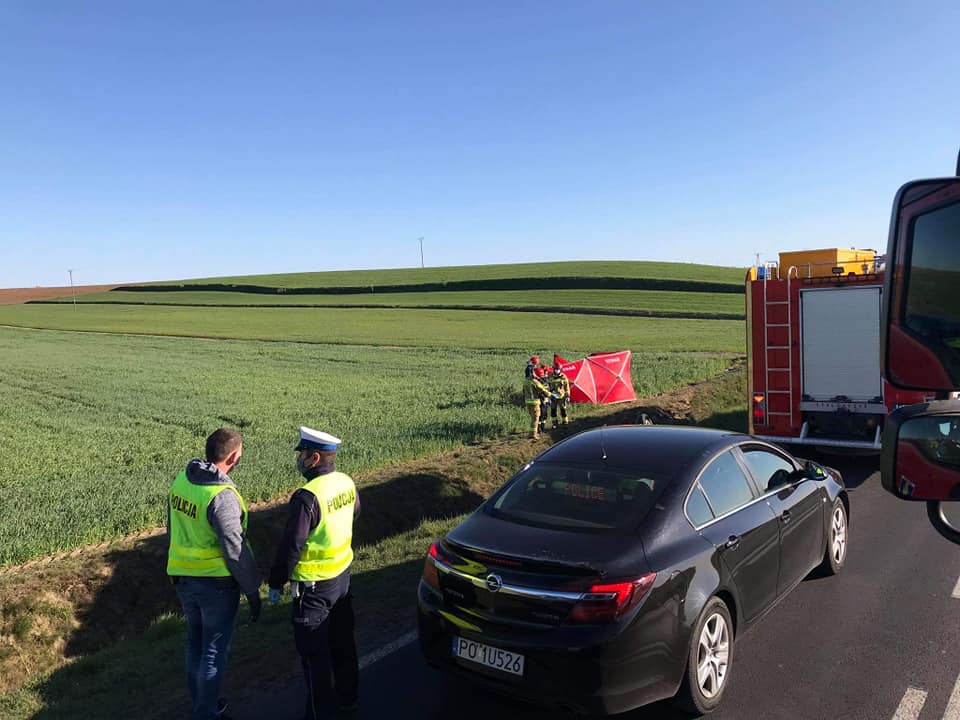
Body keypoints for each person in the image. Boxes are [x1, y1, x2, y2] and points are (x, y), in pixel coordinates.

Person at [167, 427, 261, 720]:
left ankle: (203, 704)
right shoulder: (222, 496)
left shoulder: (183, 480)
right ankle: (206, 713)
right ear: (233, 457)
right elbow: (235, 549)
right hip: (216, 586)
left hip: (183, 578)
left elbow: (171, 527)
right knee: (213, 651)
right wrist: (252, 590)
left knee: (195, 644)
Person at [268, 427, 360, 720]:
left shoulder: (307, 497)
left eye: (303, 454)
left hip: (313, 590)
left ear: (315, 458)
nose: (299, 459)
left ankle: (321, 714)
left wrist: (276, 582)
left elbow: (291, 546)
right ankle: (349, 699)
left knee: (315, 657)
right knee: (343, 643)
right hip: (342, 578)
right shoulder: (345, 482)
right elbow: (355, 512)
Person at [523, 367, 550, 439]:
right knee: (535, 418)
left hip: (528, 402)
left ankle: (532, 433)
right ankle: (533, 434)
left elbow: (524, 392)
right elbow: (542, 389)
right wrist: (550, 395)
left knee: (533, 418)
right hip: (534, 403)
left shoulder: (525, 381)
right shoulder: (534, 381)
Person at [547, 364, 571, 428]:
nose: (556, 370)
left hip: (561, 397)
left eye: (558, 369)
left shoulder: (563, 377)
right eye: (555, 369)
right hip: (553, 397)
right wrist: (548, 397)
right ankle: (555, 424)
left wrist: (567, 396)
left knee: (563, 410)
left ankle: (565, 422)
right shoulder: (550, 377)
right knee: (553, 411)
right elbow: (547, 387)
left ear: (560, 370)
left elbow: (567, 388)